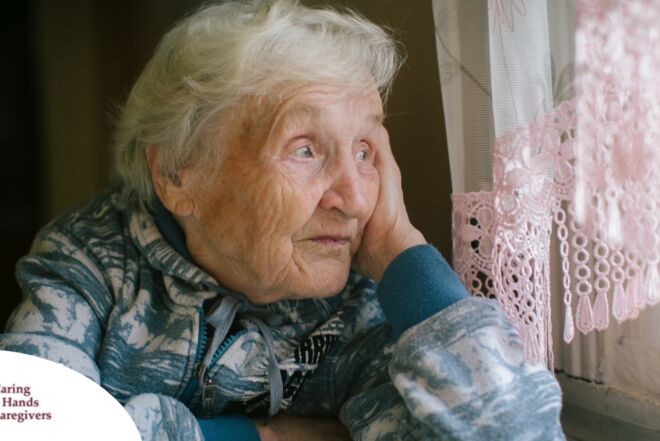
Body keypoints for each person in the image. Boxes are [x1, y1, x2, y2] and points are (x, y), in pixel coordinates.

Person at [0, 1, 565, 440]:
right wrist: (252, 436)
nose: (352, 199)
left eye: (365, 151)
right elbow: (28, 423)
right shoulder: (92, 259)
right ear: (178, 174)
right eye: (304, 150)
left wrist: (401, 250)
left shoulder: (362, 306)